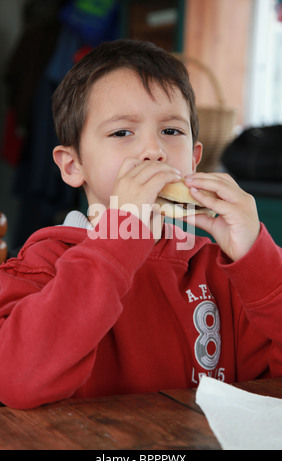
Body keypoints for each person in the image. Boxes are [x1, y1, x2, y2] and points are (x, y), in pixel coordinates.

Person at [0, 39, 281, 410]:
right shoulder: (41, 266)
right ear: (72, 165)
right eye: (121, 132)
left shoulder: (222, 269)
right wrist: (119, 238)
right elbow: (16, 381)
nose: (154, 150)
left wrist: (260, 261)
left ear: (194, 159)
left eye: (171, 131)